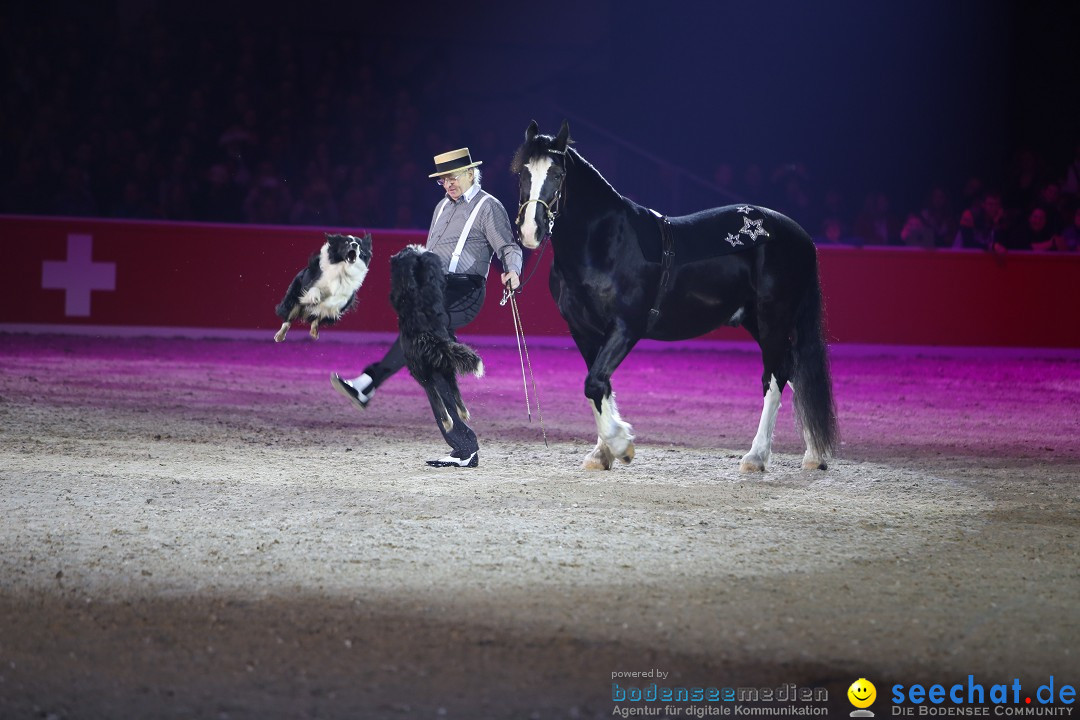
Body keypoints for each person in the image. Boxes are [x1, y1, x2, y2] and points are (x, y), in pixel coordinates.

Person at [331, 147, 522, 468]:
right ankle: (464, 448)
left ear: (471, 173)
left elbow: (507, 245)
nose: (448, 184)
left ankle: (368, 383)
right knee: (428, 360)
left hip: (465, 290)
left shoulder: (489, 207)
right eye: (443, 179)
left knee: (418, 334)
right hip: (433, 288)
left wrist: (512, 269)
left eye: (453, 177)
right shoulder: (440, 208)